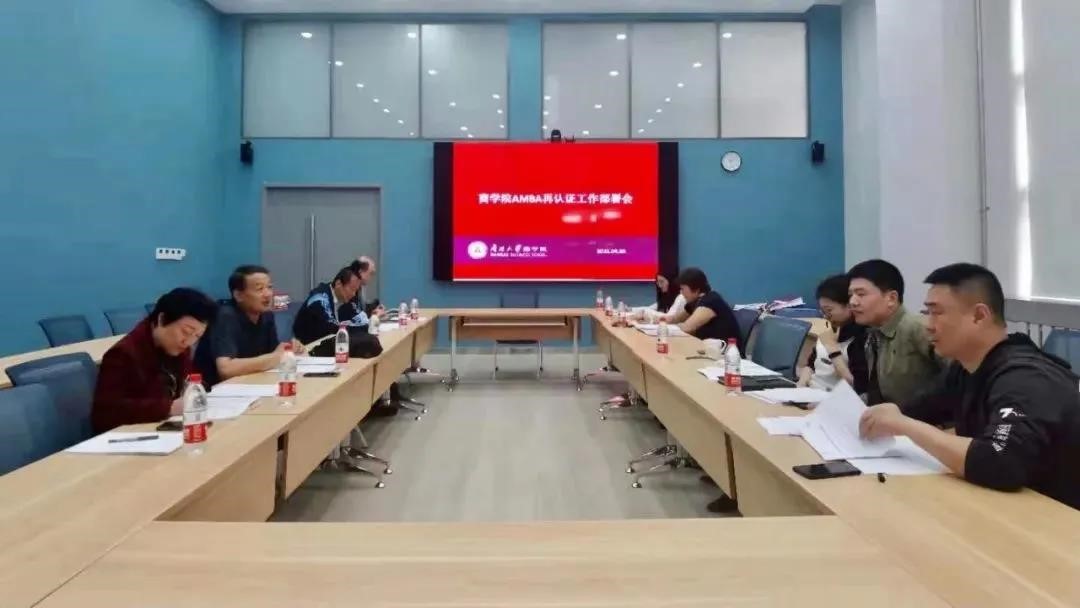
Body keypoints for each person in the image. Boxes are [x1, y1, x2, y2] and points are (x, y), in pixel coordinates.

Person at [860, 263, 1080, 510]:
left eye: (937, 313)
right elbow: (919, 409)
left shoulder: (1024, 378)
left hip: (1059, 516)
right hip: (1012, 506)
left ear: (979, 316)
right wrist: (890, 417)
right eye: (927, 312)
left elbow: (1000, 462)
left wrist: (905, 425)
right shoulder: (966, 368)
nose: (928, 325)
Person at [91, 288, 217, 433]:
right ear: (162, 319)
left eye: (197, 336)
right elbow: (105, 414)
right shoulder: (124, 354)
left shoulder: (178, 347)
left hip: (165, 429)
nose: (188, 342)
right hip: (131, 436)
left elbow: (189, 380)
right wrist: (168, 408)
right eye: (186, 332)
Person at [848, 259, 943, 405]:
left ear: (891, 298)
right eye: (850, 295)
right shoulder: (873, 334)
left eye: (861, 294)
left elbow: (962, 377)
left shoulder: (919, 328)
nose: (853, 302)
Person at [194, 265, 304, 388]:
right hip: (215, 391)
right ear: (238, 295)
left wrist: (287, 349)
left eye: (269, 287)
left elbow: (272, 356)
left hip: (249, 384)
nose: (267, 294)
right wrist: (276, 357)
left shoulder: (266, 315)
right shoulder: (225, 316)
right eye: (259, 289)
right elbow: (226, 369)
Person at [796, 274, 868, 392]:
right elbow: (810, 365)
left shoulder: (862, 338)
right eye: (823, 311)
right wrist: (800, 386)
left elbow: (857, 386)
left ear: (849, 305)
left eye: (829, 310)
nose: (826, 316)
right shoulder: (831, 330)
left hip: (836, 398)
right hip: (811, 393)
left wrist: (833, 351)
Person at [668, 267, 741, 348]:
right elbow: (675, 319)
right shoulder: (694, 302)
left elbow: (687, 327)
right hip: (708, 348)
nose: (681, 293)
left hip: (726, 351)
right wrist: (659, 321)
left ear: (696, 289)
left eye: (682, 289)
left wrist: (664, 329)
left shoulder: (710, 301)